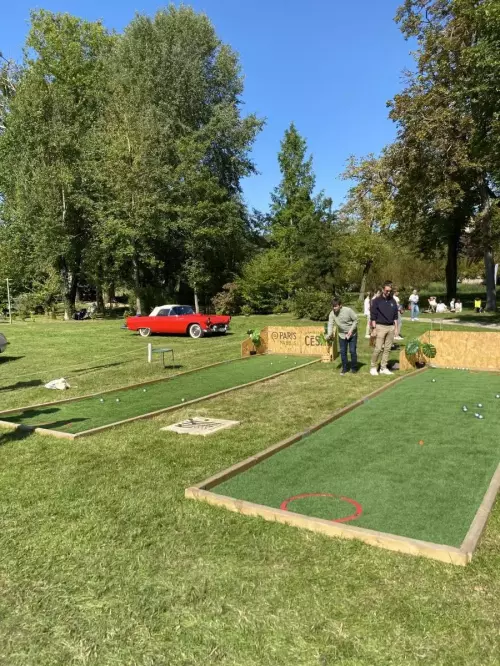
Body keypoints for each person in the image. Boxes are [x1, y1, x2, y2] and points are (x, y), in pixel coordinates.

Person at [370, 281, 399, 376]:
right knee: (378, 348)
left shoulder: (393, 301)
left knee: (387, 349)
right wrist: (373, 329)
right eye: (386, 291)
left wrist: (396, 328)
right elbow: (373, 316)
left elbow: (395, 316)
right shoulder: (376, 301)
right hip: (380, 326)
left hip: (390, 327)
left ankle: (383, 367)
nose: (388, 293)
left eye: (390, 291)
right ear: (383, 290)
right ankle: (373, 367)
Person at [327, 298, 358, 376]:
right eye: (333, 306)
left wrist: (351, 330)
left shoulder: (348, 311)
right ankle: (345, 368)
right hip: (342, 335)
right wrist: (329, 334)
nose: (334, 308)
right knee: (343, 352)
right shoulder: (332, 314)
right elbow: (330, 324)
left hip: (352, 334)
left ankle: (354, 368)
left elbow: (356, 320)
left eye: (336, 306)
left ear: (340, 305)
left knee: (352, 351)